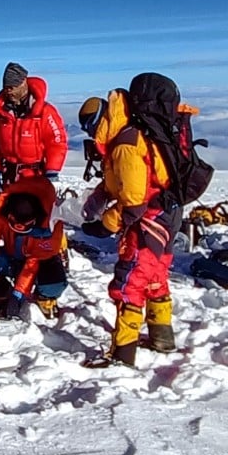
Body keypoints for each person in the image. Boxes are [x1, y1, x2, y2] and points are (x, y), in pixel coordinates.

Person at [76, 76, 185, 367]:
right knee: (154, 276)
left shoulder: (125, 144)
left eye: (90, 126)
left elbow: (134, 201)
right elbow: (122, 183)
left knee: (129, 282)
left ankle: (123, 352)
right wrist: (97, 199)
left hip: (149, 219)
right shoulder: (127, 135)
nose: (90, 134)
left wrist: (106, 225)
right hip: (165, 214)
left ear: (100, 120)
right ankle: (162, 336)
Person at [0, 176, 68, 320]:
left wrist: (19, 294)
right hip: (11, 257)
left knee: (53, 281)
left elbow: (33, 263)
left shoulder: (51, 222)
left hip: (38, 264)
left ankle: (44, 298)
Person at [0, 62, 67, 195]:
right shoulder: (1, 114)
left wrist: (52, 171)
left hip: (36, 177)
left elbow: (57, 143)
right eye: (6, 87)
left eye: (12, 87)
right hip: (9, 177)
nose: (9, 91)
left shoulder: (45, 112)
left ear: (23, 83)